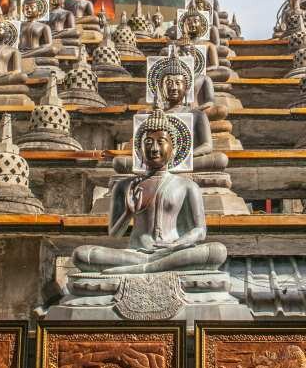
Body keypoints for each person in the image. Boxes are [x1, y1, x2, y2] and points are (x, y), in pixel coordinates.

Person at [71, 102, 227, 275]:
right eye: (148, 142)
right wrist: (128, 213)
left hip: (173, 250)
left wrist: (176, 244)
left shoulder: (188, 186)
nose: (154, 148)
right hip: (136, 253)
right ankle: (150, 265)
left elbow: (199, 231)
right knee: (81, 254)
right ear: (139, 150)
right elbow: (115, 233)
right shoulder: (125, 186)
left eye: (161, 142)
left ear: (173, 149)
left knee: (217, 251)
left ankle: (147, 267)